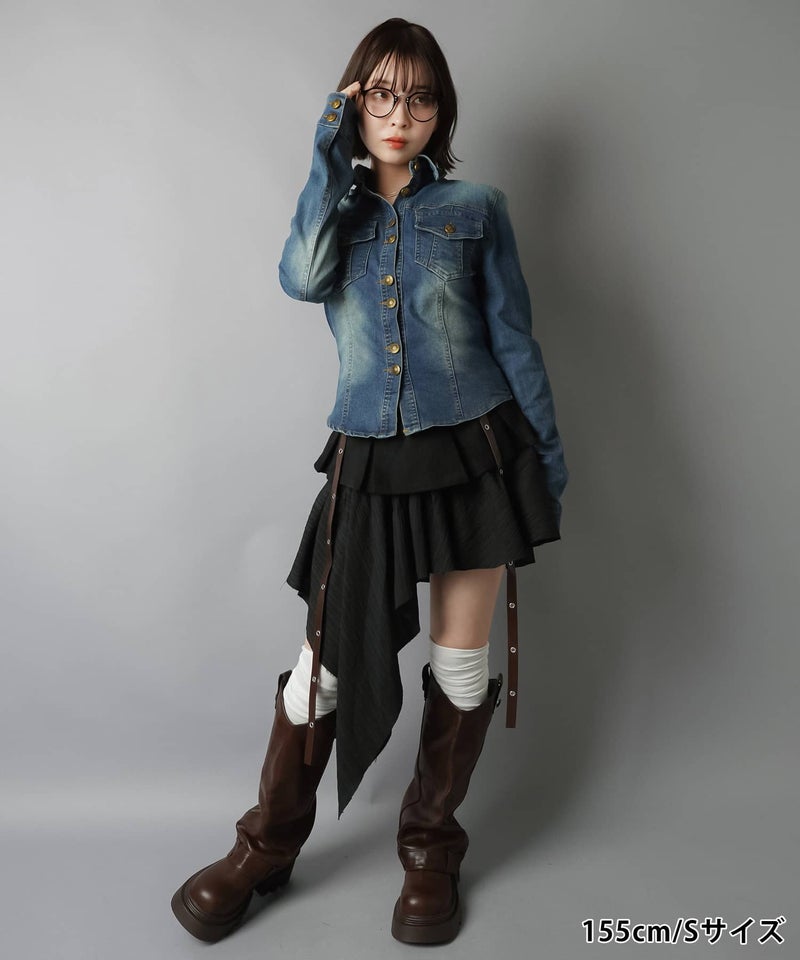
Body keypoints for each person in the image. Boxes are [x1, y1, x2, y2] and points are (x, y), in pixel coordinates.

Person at [171, 16, 568, 946]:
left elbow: (514, 340)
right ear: (354, 102)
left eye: (420, 99)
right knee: (321, 674)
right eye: (381, 95)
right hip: (368, 461)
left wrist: (546, 463)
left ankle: (429, 847)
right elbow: (301, 278)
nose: (400, 116)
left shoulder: (477, 208)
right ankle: (266, 845)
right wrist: (327, 151)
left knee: (461, 663)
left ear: (441, 113)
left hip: (477, 455)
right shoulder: (333, 211)